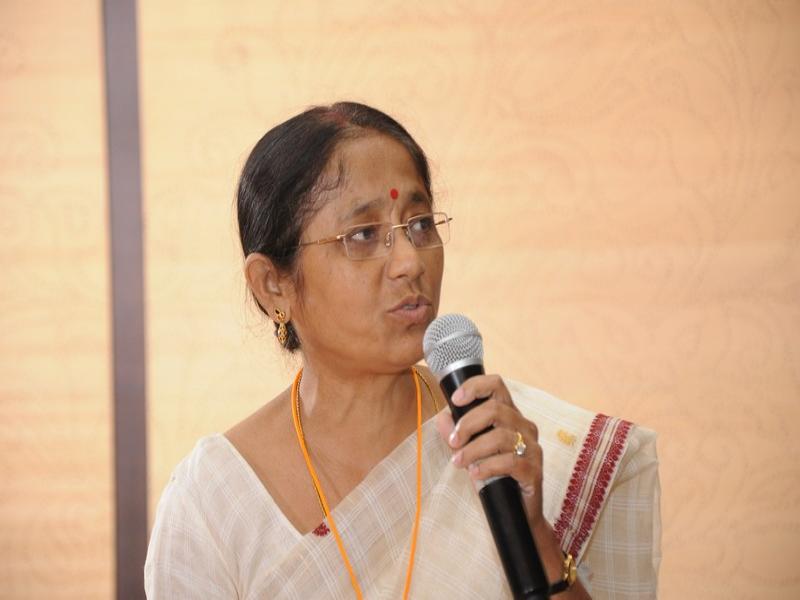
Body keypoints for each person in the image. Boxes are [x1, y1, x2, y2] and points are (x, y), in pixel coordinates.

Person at [144, 102, 660, 599]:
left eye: (419, 224)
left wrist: (535, 538)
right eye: (363, 235)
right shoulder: (214, 503)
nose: (410, 262)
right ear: (273, 285)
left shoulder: (519, 445)